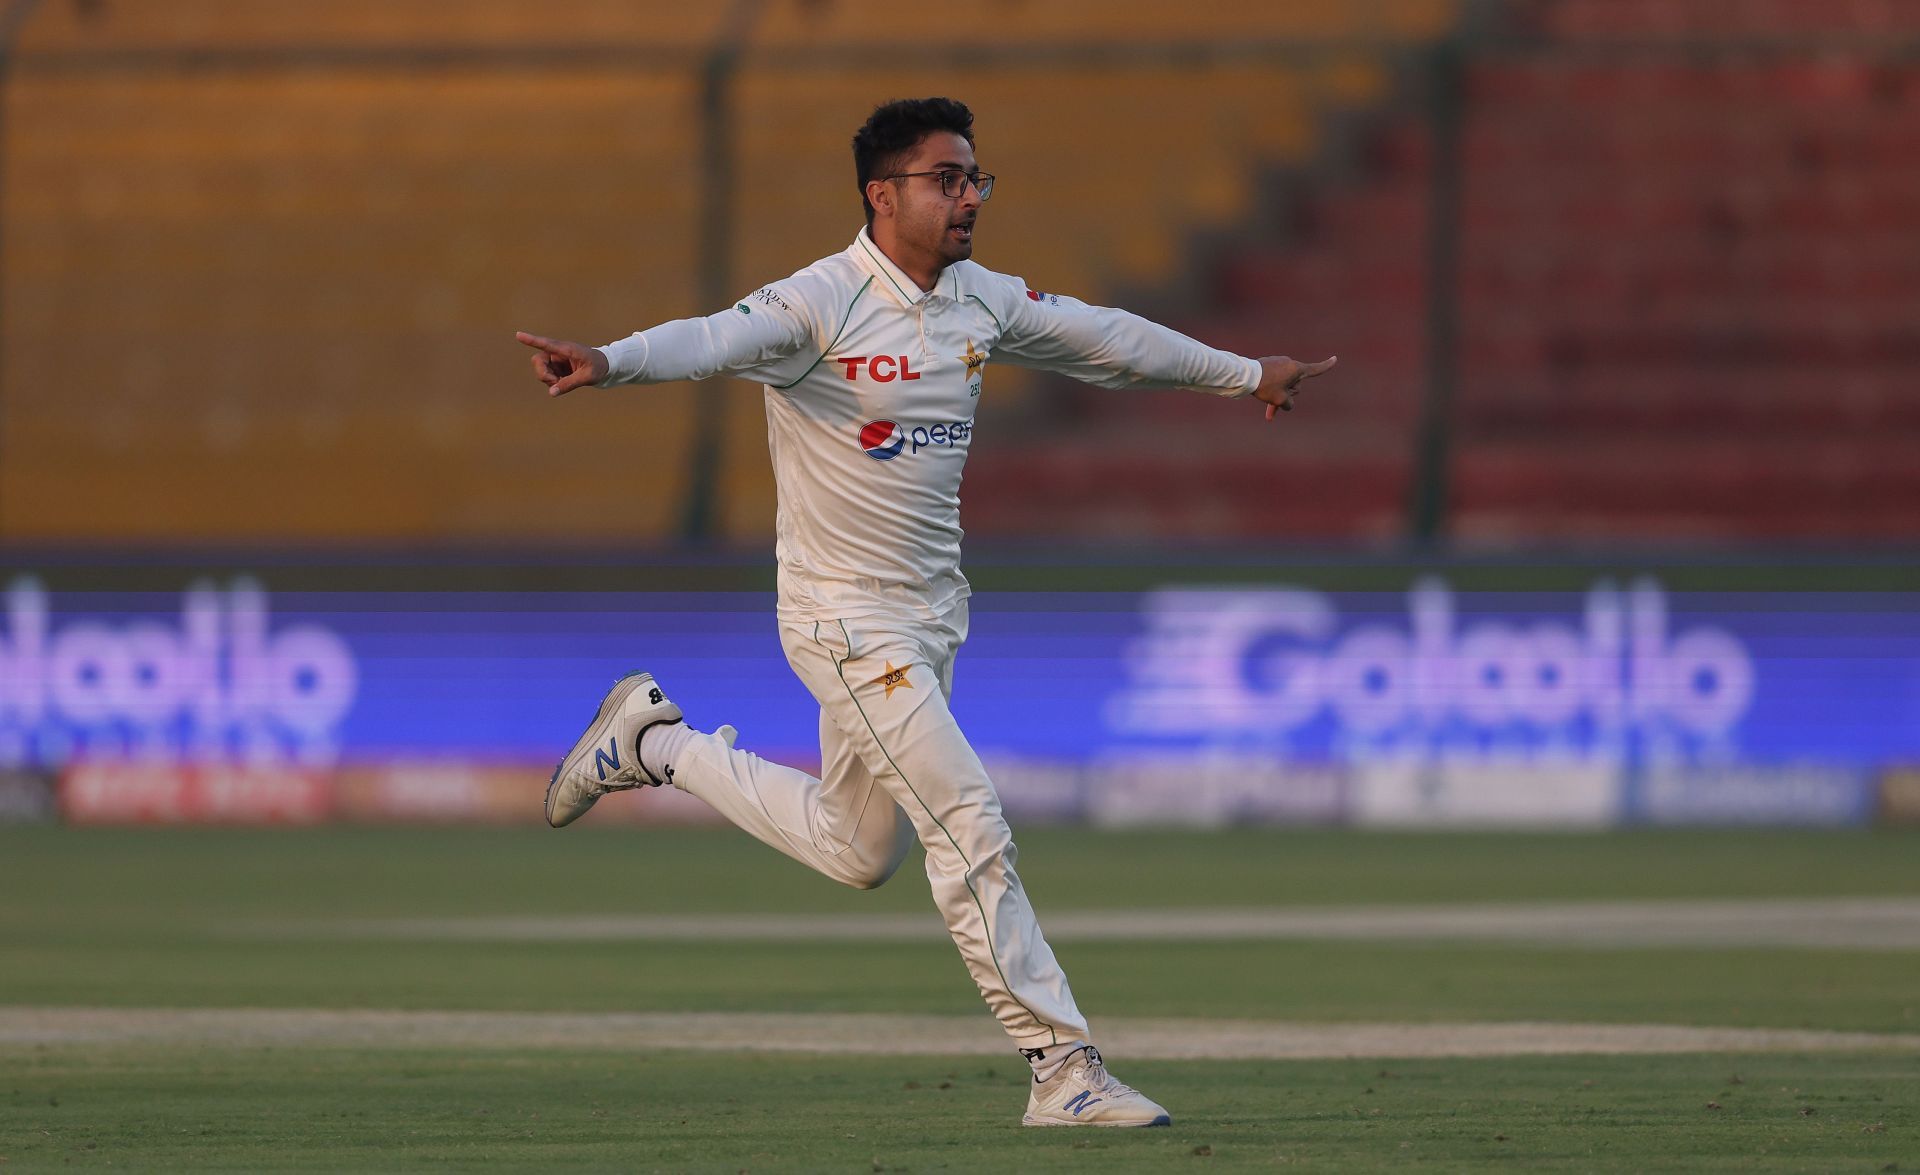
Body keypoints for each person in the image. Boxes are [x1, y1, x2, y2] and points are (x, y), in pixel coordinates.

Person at [516, 96, 1335, 1128]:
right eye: (946, 180)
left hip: (930, 618)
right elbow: (716, 338)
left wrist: (1245, 373)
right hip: (843, 621)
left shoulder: (980, 302)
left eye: (975, 179)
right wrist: (611, 359)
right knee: (969, 818)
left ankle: (656, 741)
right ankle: (1061, 1066)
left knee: (858, 848)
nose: (969, 199)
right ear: (881, 194)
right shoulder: (818, 302)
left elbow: (1107, 339)